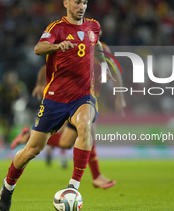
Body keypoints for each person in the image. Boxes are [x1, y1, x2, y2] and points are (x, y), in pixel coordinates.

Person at [0, 0, 115, 211]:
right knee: (32, 150)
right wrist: (57, 46)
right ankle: (8, 185)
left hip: (83, 95)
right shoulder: (57, 28)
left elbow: (97, 45)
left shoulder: (94, 27)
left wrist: (104, 65)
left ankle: (73, 186)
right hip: (55, 99)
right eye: (77, 2)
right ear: (66, 4)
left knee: (84, 126)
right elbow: (38, 48)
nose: (82, 7)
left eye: (85, 3)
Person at [11, 43, 126, 189]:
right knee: (88, 130)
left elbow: (114, 71)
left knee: (66, 142)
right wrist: (41, 84)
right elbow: (46, 68)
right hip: (71, 100)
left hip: (87, 100)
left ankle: (28, 137)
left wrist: (119, 97)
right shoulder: (80, 50)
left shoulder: (102, 52)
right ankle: (96, 176)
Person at [0, 70, 27, 147]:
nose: (10, 80)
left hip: (15, 111)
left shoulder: (19, 86)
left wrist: (20, 103)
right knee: (5, 127)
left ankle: (16, 142)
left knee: (15, 127)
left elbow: (24, 97)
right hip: (3, 110)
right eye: (8, 78)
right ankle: (4, 143)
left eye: (11, 78)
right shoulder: (0, 87)